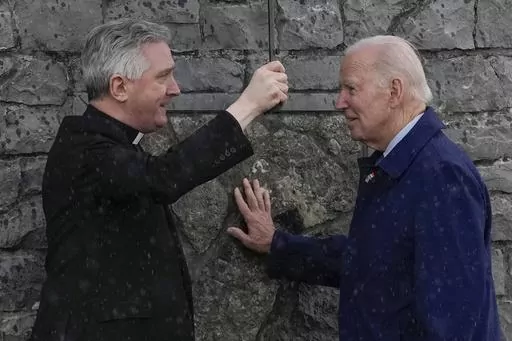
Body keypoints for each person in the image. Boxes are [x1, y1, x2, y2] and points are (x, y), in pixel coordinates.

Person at [228, 35, 504, 341]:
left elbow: (454, 321)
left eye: (351, 88)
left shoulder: (441, 175)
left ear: (394, 91)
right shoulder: (400, 163)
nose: (339, 102)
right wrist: (277, 244)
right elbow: (370, 260)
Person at [30, 19, 288, 341]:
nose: (175, 89)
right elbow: (161, 178)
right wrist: (248, 105)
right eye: (163, 76)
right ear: (120, 87)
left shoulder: (110, 144)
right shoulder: (84, 148)